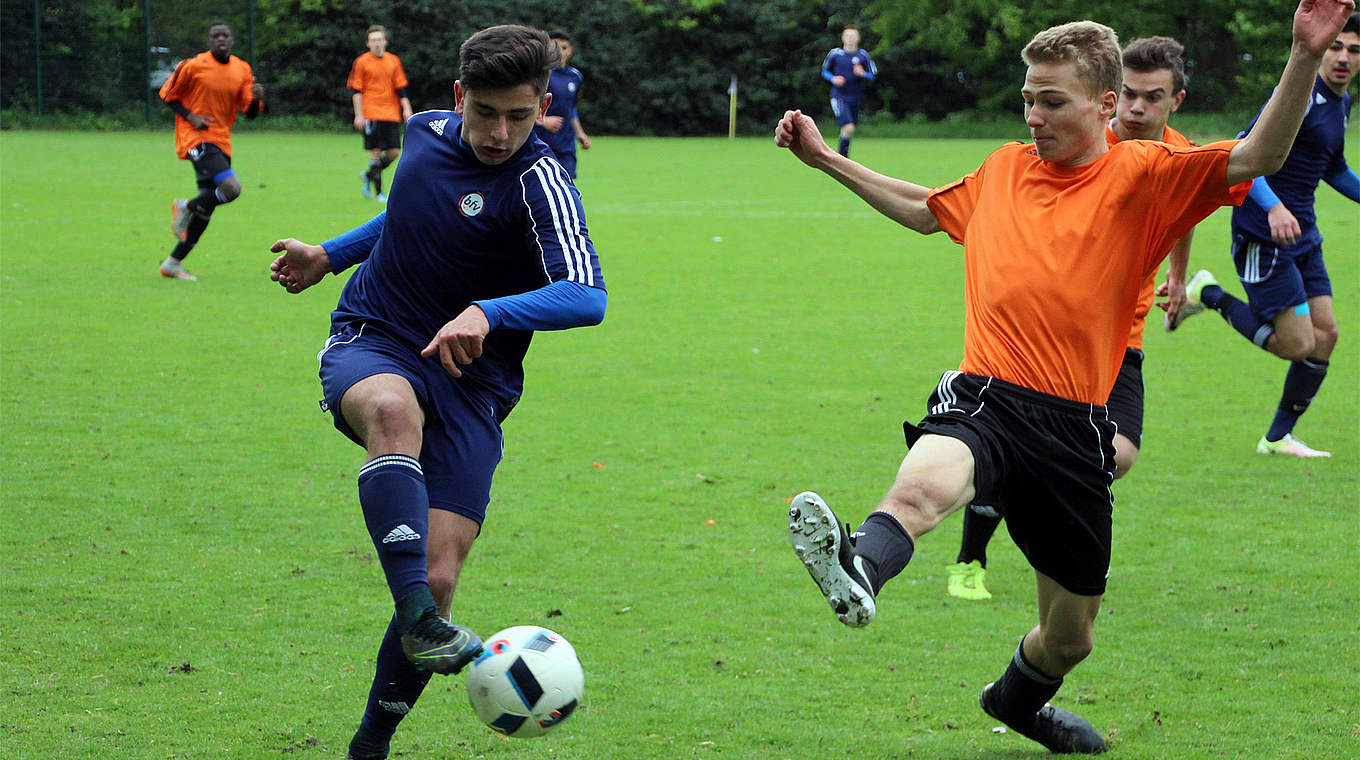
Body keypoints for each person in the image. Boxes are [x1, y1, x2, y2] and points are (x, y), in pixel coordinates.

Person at [775, 1, 1351, 754]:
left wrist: (1305, 56)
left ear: (1105, 105)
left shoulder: (1146, 175)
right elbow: (923, 209)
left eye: (1052, 101)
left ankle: (1015, 702)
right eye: (1027, 99)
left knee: (1070, 639)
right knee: (920, 488)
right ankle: (859, 564)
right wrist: (826, 159)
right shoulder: (1004, 168)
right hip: (988, 394)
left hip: (1076, 428)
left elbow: (1257, 158)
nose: (1034, 116)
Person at [267, 25, 606, 760]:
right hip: (375, 336)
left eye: (520, 115)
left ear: (543, 106)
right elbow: (407, 214)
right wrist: (331, 256)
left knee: (442, 575)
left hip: (474, 385)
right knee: (393, 412)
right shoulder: (421, 134)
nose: (499, 131)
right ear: (459, 98)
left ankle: (370, 744)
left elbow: (587, 295)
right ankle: (418, 618)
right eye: (485, 112)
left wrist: (491, 311)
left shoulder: (541, 181)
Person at [946, 35, 1200, 602]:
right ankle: (972, 552)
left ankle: (1031, 498)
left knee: (1118, 454)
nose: (1138, 109)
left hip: (1120, 340)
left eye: (1152, 98)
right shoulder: (1078, 140)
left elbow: (1186, 209)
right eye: (1130, 95)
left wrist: (1178, 277)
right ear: (1111, 99)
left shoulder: (1174, 154)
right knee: (1015, 443)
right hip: (1052, 344)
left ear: (1175, 102)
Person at [1174, 12, 1358, 458]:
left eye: (1354, 51)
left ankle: (1277, 439)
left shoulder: (1340, 102)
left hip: (1304, 231)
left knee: (1326, 335)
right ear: (1323, 46)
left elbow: (1332, 166)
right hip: (1262, 231)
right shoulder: (1295, 94)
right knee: (1297, 344)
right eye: (1335, 46)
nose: (1342, 58)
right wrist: (1273, 206)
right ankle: (1208, 291)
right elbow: (1243, 146)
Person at [158, 20, 263, 281]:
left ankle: (173, 263)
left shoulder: (242, 69)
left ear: (232, 39)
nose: (221, 39)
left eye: (225, 35)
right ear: (209, 40)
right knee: (231, 189)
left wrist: (259, 98)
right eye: (215, 36)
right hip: (196, 138)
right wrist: (191, 117)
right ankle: (185, 206)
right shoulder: (193, 66)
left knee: (208, 206)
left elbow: (249, 113)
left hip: (222, 141)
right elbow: (166, 94)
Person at [349, 25, 414, 202]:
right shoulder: (362, 62)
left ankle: (369, 175)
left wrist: (406, 108)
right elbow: (356, 91)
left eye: (379, 39)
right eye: (373, 40)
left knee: (394, 152)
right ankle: (379, 193)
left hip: (391, 113)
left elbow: (401, 88)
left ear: (385, 41)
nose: (377, 43)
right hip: (371, 113)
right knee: (376, 152)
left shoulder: (393, 61)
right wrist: (359, 114)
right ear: (368, 43)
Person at [532, 30, 591, 179]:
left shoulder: (575, 76)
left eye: (564, 48)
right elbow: (523, 103)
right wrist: (542, 120)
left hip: (565, 143)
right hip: (539, 141)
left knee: (567, 185)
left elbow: (571, 108)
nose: (559, 51)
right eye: (555, 47)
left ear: (570, 51)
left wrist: (580, 134)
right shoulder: (538, 75)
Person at [821, 25, 878, 157]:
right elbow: (825, 71)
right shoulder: (835, 54)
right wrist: (833, 78)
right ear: (843, 38)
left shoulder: (863, 56)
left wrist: (862, 73)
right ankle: (842, 158)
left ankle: (842, 156)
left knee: (848, 130)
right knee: (848, 127)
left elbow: (873, 75)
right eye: (848, 36)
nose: (850, 39)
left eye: (853, 36)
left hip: (855, 96)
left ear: (858, 38)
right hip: (839, 95)